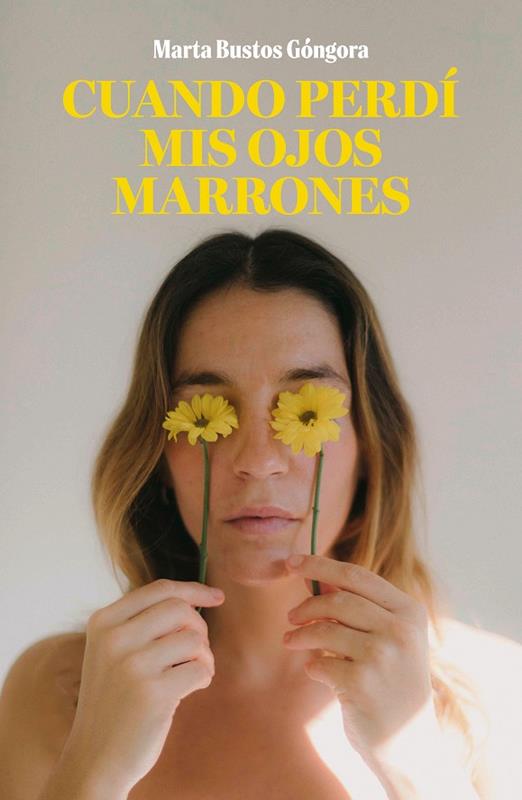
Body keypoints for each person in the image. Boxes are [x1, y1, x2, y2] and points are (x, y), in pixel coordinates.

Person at [0, 229, 519, 800]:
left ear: (371, 444)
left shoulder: (496, 698)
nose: (257, 461)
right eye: (209, 412)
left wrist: (417, 765)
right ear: (157, 454)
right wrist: (91, 774)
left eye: (303, 408)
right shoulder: (58, 692)